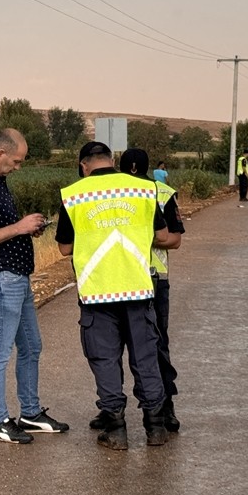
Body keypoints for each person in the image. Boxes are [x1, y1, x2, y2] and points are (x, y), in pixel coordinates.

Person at [56, 141, 171, 450]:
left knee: (105, 360)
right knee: (145, 358)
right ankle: (155, 428)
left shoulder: (73, 195)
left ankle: (116, 430)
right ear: (111, 160)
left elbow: (65, 248)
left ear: (84, 166)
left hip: (98, 293)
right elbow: (162, 235)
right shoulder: (143, 190)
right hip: (138, 289)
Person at [0, 128, 68, 444]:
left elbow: (0, 229)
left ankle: (30, 413)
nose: (18, 167)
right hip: (0, 280)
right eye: (16, 161)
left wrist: (25, 229)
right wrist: (19, 227)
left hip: (16, 279)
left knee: (32, 346)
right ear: (0, 154)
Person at [119, 149, 185, 432]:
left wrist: (140, 237)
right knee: (113, 347)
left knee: (156, 344)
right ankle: (111, 410)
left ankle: (165, 406)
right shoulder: (114, 193)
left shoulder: (162, 194)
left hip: (153, 280)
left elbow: (175, 239)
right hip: (119, 277)